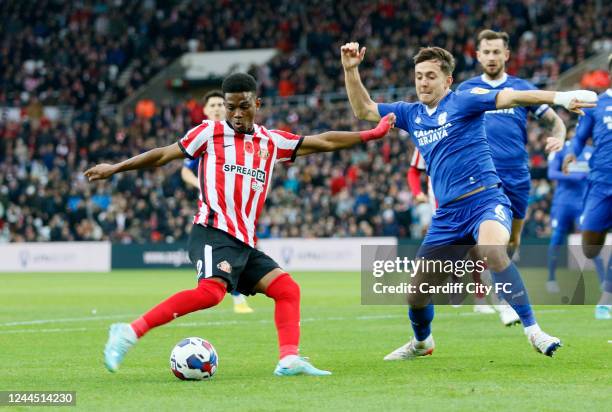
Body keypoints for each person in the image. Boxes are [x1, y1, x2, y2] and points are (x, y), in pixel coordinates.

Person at [85, 73, 396, 376]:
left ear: (256, 103)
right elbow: (162, 156)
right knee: (211, 293)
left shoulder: (271, 141)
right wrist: (115, 168)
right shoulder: (208, 133)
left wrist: (372, 134)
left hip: (244, 241)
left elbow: (324, 141)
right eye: (230, 106)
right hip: (212, 230)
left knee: (287, 290)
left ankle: (288, 360)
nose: (235, 114)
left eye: (243, 106)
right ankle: (128, 332)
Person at [341, 42, 596, 358]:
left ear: (447, 81)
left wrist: (560, 98)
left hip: (486, 200)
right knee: (416, 295)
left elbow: (512, 97)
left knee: (492, 251)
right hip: (447, 215)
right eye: (419, 75)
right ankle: (422, 343)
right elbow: (363, 108)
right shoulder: (411, 113)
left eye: (431, 76)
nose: (422, 82)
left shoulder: (463, 101)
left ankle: (535, 331)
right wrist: (351, 70)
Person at [457, 30, 567, 258]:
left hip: (516, 174)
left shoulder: (522, 87)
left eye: (496, 52)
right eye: (486, 52)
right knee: (485, 239)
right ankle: (485, 284)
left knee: (513, 240)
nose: (491, 57)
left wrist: (560, 136)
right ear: (478, 55)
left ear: (506, 55)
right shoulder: (466, 89)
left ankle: (503, 266)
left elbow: (555, 122)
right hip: (480, 174)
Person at [181, 90, 254, 314]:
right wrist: (200, 185)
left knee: (238, 250)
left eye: (220, 105)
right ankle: (233, 295)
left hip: (239, 208)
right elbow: (185, 172)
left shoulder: (241, 135)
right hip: (213, 209)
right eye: (211, 105)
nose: (216, 108)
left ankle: (230, 290)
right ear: (204, 111)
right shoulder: (202, 136)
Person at [563, 54, 612, 320]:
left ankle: (608, 295)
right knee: (590, 246)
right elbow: (581, 136)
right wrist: (572, 152)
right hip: (600, 182)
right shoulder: (598, 104)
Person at [546, 137, 605, 294]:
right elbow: (551, 173)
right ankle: (551, 278)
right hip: (562, 204)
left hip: (582, 205)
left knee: (590, 241)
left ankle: (603, 281)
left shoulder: (591, 152)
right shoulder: (561, 150)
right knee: (556, 239)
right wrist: (575, 176)